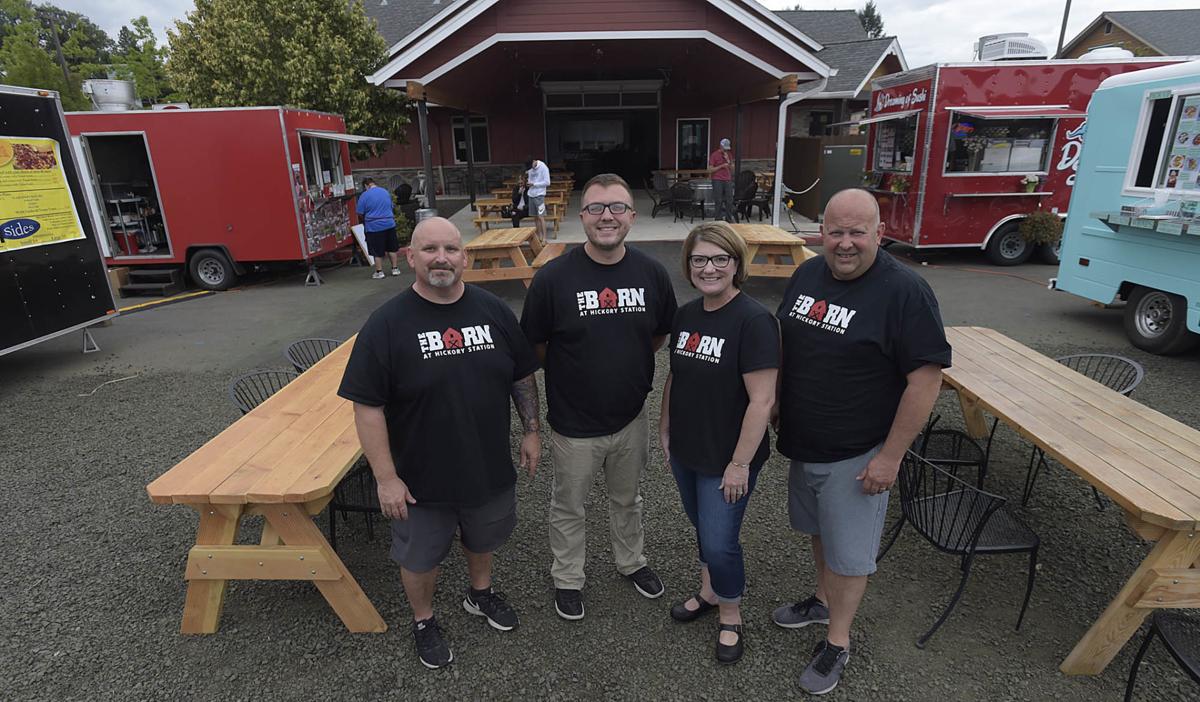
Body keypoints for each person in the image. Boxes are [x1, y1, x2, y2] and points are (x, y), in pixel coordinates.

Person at [338, 216, 542, 670]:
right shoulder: (386, 324)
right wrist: (386, 478)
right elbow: (367, 407)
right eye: (430, 250)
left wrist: (531, 430)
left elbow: (521, 374)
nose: (442, 258)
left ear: (464, 257)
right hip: (419, 476)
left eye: (451, 249)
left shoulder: (493, 310)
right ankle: (424, 619)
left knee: (482, 535)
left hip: (486, 464)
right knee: (420, 554)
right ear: (411, 257)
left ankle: (480, 593)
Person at [771, 188, 951, 694]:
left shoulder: (905, 291)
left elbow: (926, 379)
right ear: (820, 231)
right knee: (821, 532)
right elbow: (792, 339)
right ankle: (822, 602)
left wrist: (890, 457)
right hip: (806, 442)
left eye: (857, 233)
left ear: (879, 233)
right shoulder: (807, 273)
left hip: (858, 452)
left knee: (850, 554)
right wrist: (780, 400)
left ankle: (838, 642)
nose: (845, 244)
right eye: (835, 231)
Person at [521, 173, 678, 621]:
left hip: (631, 418)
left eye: (616, 208)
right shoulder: (552, 279)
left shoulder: (651, 273)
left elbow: (658, 335)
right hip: (573, 424)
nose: (606, 216)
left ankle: (631, 562)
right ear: (582, 216)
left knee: (628, 499)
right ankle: (568, 577)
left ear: (631, 215)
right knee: (568, 505)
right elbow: (535, 346)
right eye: (595, 208)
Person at [659, 222, 778, 664]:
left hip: (727, 457)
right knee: (703, 529)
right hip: (687, 448)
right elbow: (676, 373)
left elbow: (762, 401)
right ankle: (709, 591)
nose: (709, 268)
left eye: (719, 259)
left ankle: (731, 614)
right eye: (699, 260)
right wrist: (665, 426)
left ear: (736, 264)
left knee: (720, 539)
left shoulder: (754, 321)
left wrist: (740, 464)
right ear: (688, 266)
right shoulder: (686, 315)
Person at [355, 178, 400, 279]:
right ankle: (395, 269)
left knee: (377, 251)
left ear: (366, 186)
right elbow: (391, 206)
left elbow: (360, 212)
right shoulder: (385, 192)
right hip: (389, 223)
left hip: (374, 226)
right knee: (392, 248)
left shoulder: (365, 195)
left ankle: (379, 272)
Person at [709, 138, 735, 222]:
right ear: (721, 146)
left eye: (727, 148)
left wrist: (728, 161)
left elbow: (732, 169)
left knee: (729, 200)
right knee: (718, 200)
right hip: (717, 179)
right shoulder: (714, 155)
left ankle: (728, 219)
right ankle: (718, 219)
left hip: (727, 179)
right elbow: (710, 169)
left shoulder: (729, 155)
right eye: (725, 148)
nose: (726, 150)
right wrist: (721, 166)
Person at [525, 156, 551, 241]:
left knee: (541, 216)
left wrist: (534, 184)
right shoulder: (530, 169)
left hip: (539, 195)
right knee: (535, 217)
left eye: (531, 166)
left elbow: (547, 182)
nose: (531, 168)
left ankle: (544, 237)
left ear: (534, 161)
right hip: (531, 194)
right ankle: (539, 236)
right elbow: (530, 179)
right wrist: (528, 183)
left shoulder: (543, 167)